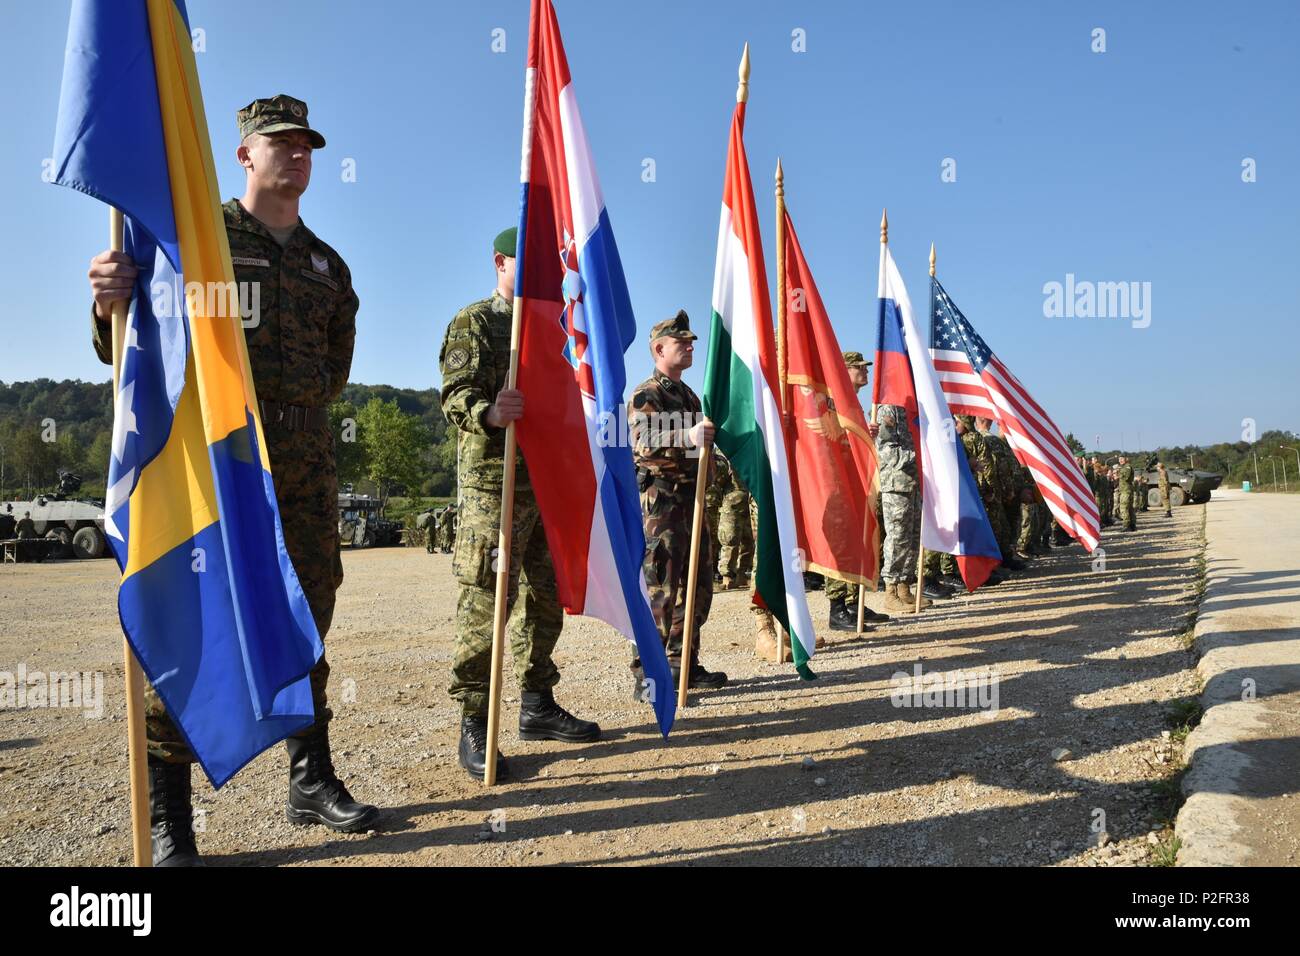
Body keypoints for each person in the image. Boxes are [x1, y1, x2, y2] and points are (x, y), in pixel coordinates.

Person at [86, 94, 377, 865]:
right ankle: (170, 820)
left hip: (306, 467)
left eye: (307, 144)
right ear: (244, 154)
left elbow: (334, 372)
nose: (298, 155)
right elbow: (137, 341)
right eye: (280, 143)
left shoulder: (327, 265)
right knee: (196, 618)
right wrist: (107, 299)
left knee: (306, 619)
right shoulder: (196, 241)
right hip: (218, 463)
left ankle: (310, 782)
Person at [439, 227, 600, 781]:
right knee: (487, 601)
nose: (537, 281)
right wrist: (487, 411)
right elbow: (455, 392)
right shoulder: (476, 322)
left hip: (546, 479)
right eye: (524, 268)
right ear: (499, 263)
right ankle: (475, 720)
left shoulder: (555, 327)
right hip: (494, 484)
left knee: (544, 597)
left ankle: (536, 705)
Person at [629, 311, 728, 688]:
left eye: (691, 342)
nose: (689, 347)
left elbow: (701, 449)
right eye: (681, 342)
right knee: (661, 586)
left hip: (692, 502)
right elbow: (641, 443)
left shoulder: (688, 396)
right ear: (658, 349)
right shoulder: (646, 393)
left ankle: (683, 660)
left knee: (697, 585)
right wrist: (687, 437)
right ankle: (648, 670)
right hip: (663, 505)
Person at [826, 352, 891, 630]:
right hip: (837, 483)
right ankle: (837, 608)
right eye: (859, 368)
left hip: (856, 482)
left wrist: (867, 434)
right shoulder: (832, 401)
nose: (865, 372)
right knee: (841, 543)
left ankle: (854, 602)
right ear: (845, 370)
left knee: (857, 540)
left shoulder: (854, 403)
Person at [869, 403, 929, 613]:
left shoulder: (909, 410)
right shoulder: (888, 410)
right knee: (897, 537)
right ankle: (890, 592)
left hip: (912, 483)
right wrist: (920, 456)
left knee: (912, 537)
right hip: (895, 483)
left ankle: (904, 587)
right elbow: (886, 451)